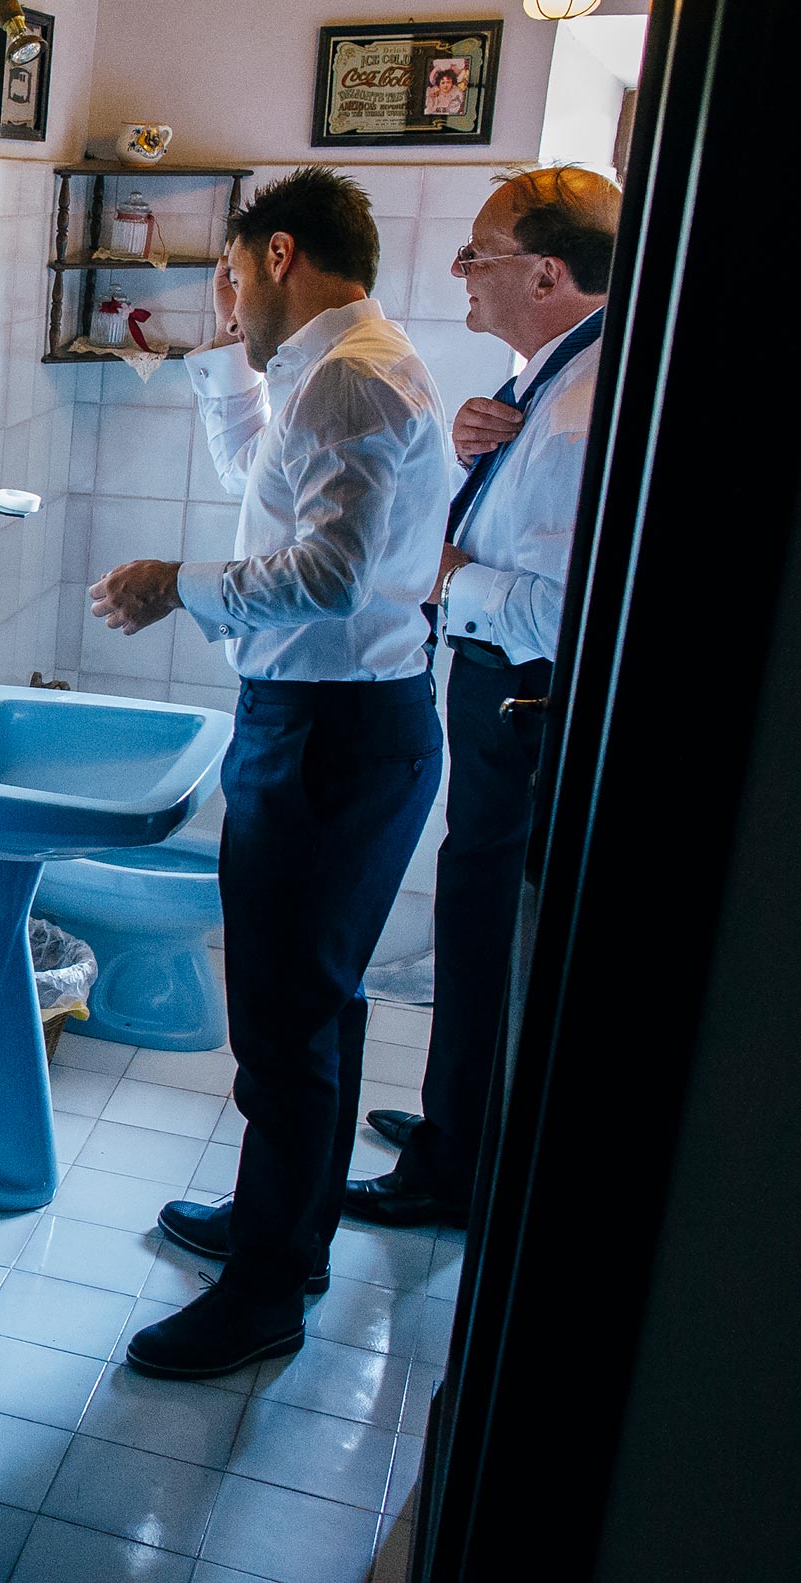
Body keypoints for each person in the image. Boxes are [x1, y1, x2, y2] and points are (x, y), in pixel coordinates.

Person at [86, 168, 454, 1378]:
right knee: (319, 1008)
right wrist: (218, 353)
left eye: (237, 271)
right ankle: (279, 1238)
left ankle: (261, 1298)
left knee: (286, 1026)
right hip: (342, 721)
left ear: (280, 254)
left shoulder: (348, 375)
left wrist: (172, 581)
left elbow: (325, 576)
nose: (228, 288)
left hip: (329, 732)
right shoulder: (334, 365)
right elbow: (266, 482)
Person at [346, 167, 622, 1227]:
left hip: (528, 698)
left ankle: (458, 1166)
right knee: (475, 917)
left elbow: (565, 611)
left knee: (484, 922)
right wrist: (476, 458)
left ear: (546, 273)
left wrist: (449, 570)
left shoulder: (576, 410)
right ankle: (462, 1119)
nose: (460, 270)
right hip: (507, 696)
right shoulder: (550, 382)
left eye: (480, 254)